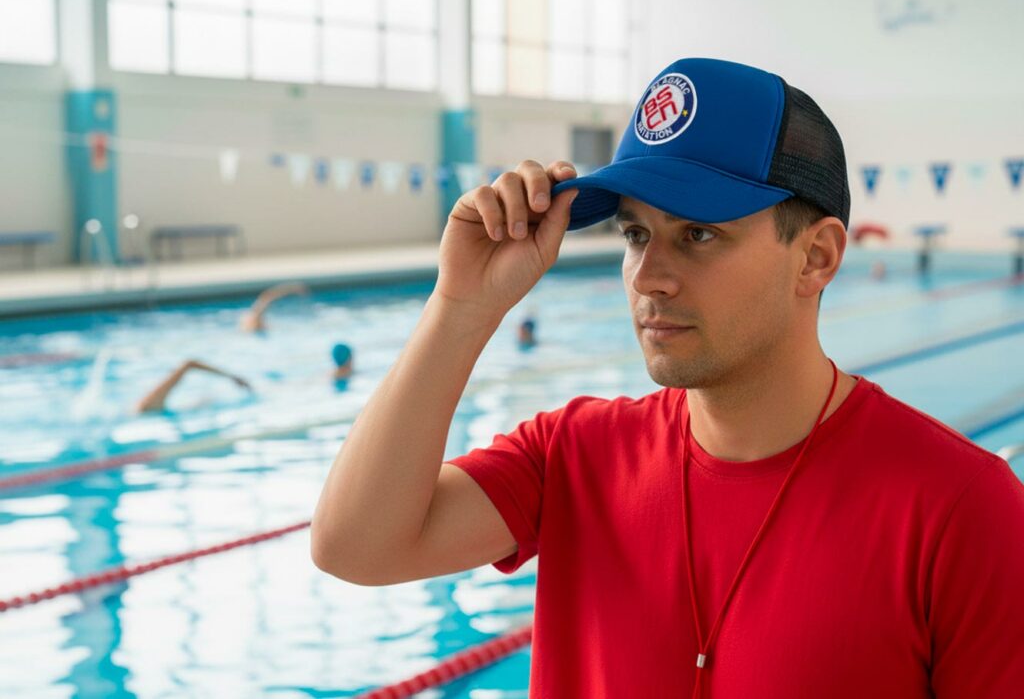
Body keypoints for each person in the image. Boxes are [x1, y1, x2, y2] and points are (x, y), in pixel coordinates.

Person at [310, 58, 1024, 697]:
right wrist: (460, 308)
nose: (649, 278)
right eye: (635, 234)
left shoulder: (961, 509)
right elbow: (354, 547)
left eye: (699, 235)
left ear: (816, 258)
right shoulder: (574, 456)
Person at [134, 359, 252, 413]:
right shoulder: (147, 405)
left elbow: (189, 364)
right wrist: (231, 376)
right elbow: (189, 363)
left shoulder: (146, 406)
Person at [239, 281, 309, 332]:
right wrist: (293, 287)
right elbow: (268, 297)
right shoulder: (253, 320)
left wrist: (292, 288)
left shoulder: (251, 318)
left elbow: (269, 297)